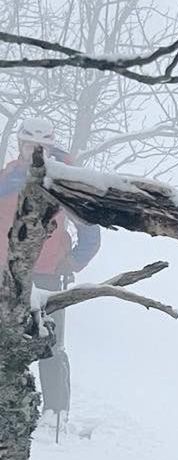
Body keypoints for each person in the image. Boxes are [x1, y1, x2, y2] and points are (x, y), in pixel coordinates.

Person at [0, 117, 102, 420]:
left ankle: (56, 412)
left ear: (50, 147)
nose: (34, 150)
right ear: (20, 145)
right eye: (29, 144)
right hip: (5, 275)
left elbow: (91, 231)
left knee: (51, 346)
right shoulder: (6, 180)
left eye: (41, 145)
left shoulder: (63, 183)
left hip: (47, 276)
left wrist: (74, 261)